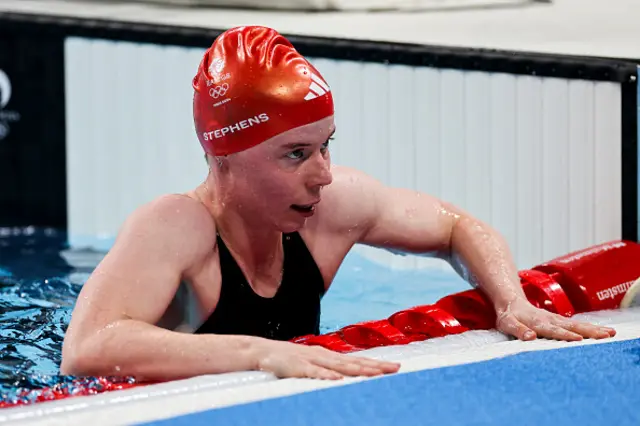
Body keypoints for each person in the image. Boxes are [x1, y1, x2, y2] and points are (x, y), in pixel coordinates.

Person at [60, 26, 616, 383]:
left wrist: (509, 300)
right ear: (223, 153)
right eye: (295, 153)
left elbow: (455, 226)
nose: (322, 174)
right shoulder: (176, 227)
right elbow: (87, 349)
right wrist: (258, 352)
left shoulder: (331, 208)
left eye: (326, 145)